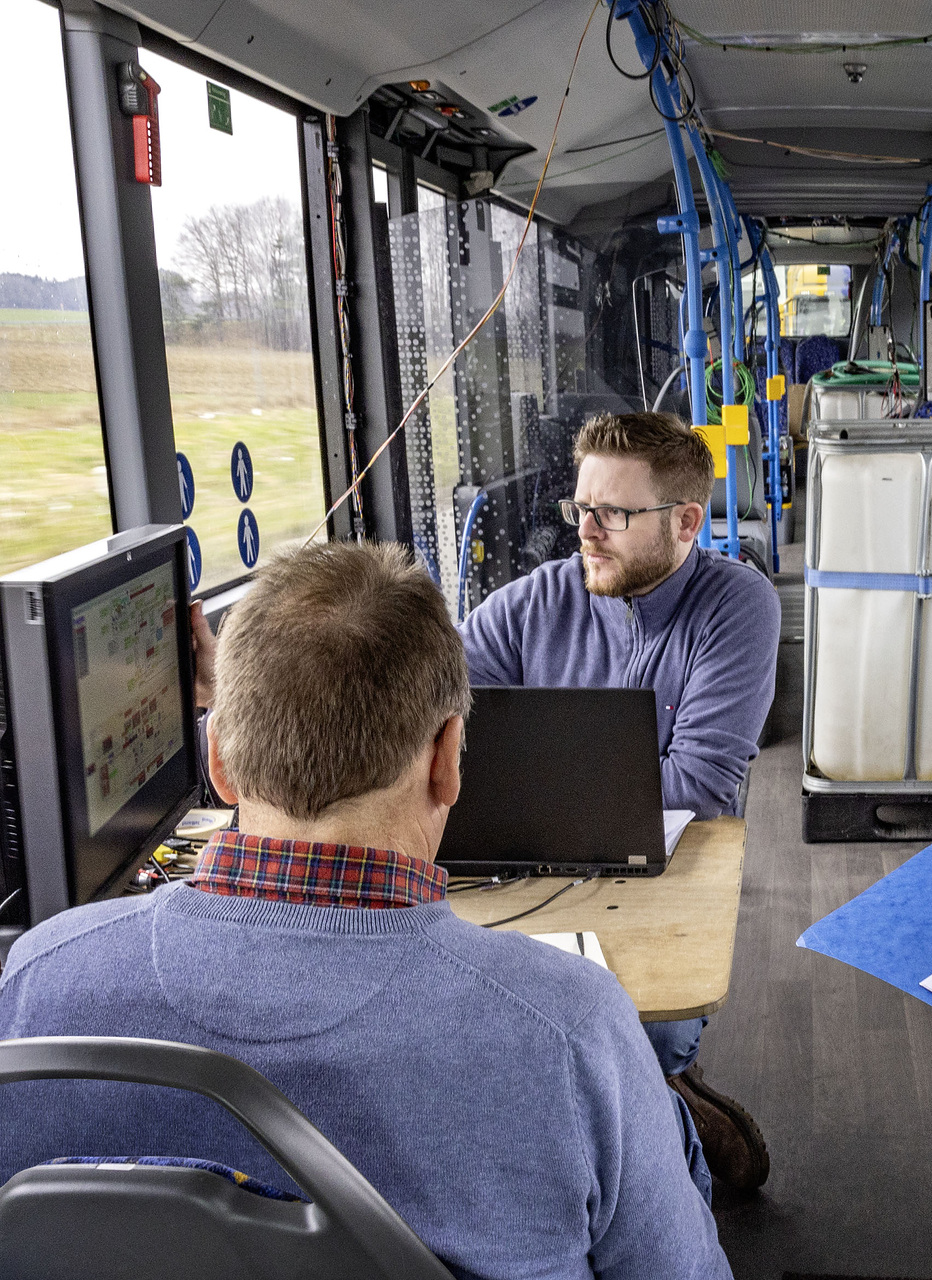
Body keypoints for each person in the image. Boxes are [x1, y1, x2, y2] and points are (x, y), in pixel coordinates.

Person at [0, 544, 732, 1280]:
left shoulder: (38, 983)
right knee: (655, 1133)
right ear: (449, 759)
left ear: (217, 761)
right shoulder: (567, 1031)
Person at [459, 410, 781, 1190]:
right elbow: (433, 721)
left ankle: (660, 1143)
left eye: (613, 513)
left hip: (660, 885)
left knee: (629, 1045)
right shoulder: (535, 602)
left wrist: (518, 785)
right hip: (527, 881)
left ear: (685, 523)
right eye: (580, 509)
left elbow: (697, 790)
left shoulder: (737, 609)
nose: (587, 531)